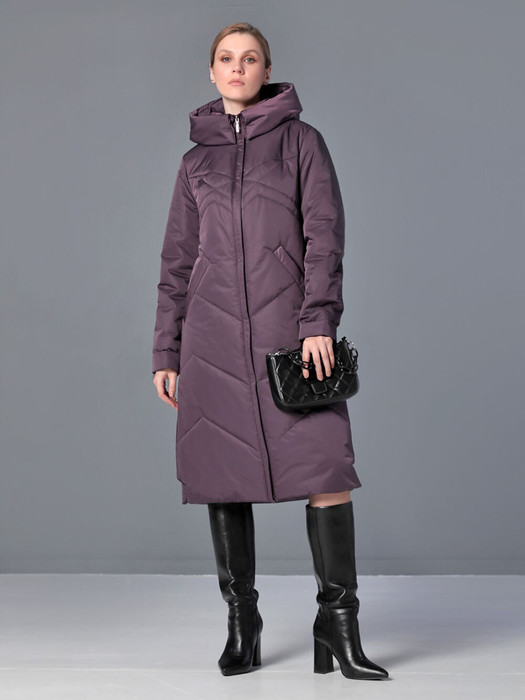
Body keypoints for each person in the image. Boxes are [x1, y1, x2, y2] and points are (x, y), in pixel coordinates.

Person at [152, 22, 389, 681]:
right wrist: (166, 350)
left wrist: (319, 321)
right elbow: (176, 264)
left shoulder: (301, 142)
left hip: (291, 336)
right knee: (221, 476)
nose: (237, 67)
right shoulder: (193, 164)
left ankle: (337, 622)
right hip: (211, 343)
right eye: (226, 58)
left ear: (266, 70)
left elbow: (324, 237)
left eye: (249, 58)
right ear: (211, 72)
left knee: (327, 470)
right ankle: (242, 623)